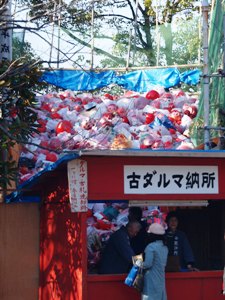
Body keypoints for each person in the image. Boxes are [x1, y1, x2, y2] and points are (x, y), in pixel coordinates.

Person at [141, 222, 168, 300]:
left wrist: (136, 263)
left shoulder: (151, 247)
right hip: (161, 278)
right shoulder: (165, 247)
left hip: (151, 279)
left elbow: (147, 264)